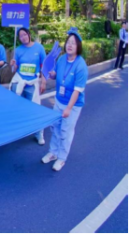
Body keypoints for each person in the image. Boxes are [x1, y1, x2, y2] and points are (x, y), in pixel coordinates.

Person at [42, 28, 88, 171]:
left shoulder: (81, 65)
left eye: (73, 43)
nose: (70, 45)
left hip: (72, 105)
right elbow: (57, 75)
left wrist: (68, 108)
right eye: (68, 42)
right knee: (55, 127)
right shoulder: (62, 59)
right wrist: (52, 74)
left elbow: (77, 90)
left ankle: (62, 158)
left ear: (78, 46)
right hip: (59, 100)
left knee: (65, 131)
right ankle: (53, 152)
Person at [9, 28, 47, 145]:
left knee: (36, 109)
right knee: (17, 108)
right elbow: (14, 69)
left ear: (29, 34)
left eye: (25, 35)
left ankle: (39, 134)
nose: (23, 38)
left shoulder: (39, 48)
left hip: (32, 83)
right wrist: (13, 65)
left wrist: (43, 81)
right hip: (19, 82)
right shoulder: (18, 50)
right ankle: (18, 131)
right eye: (21, 36)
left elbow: (44, 65)